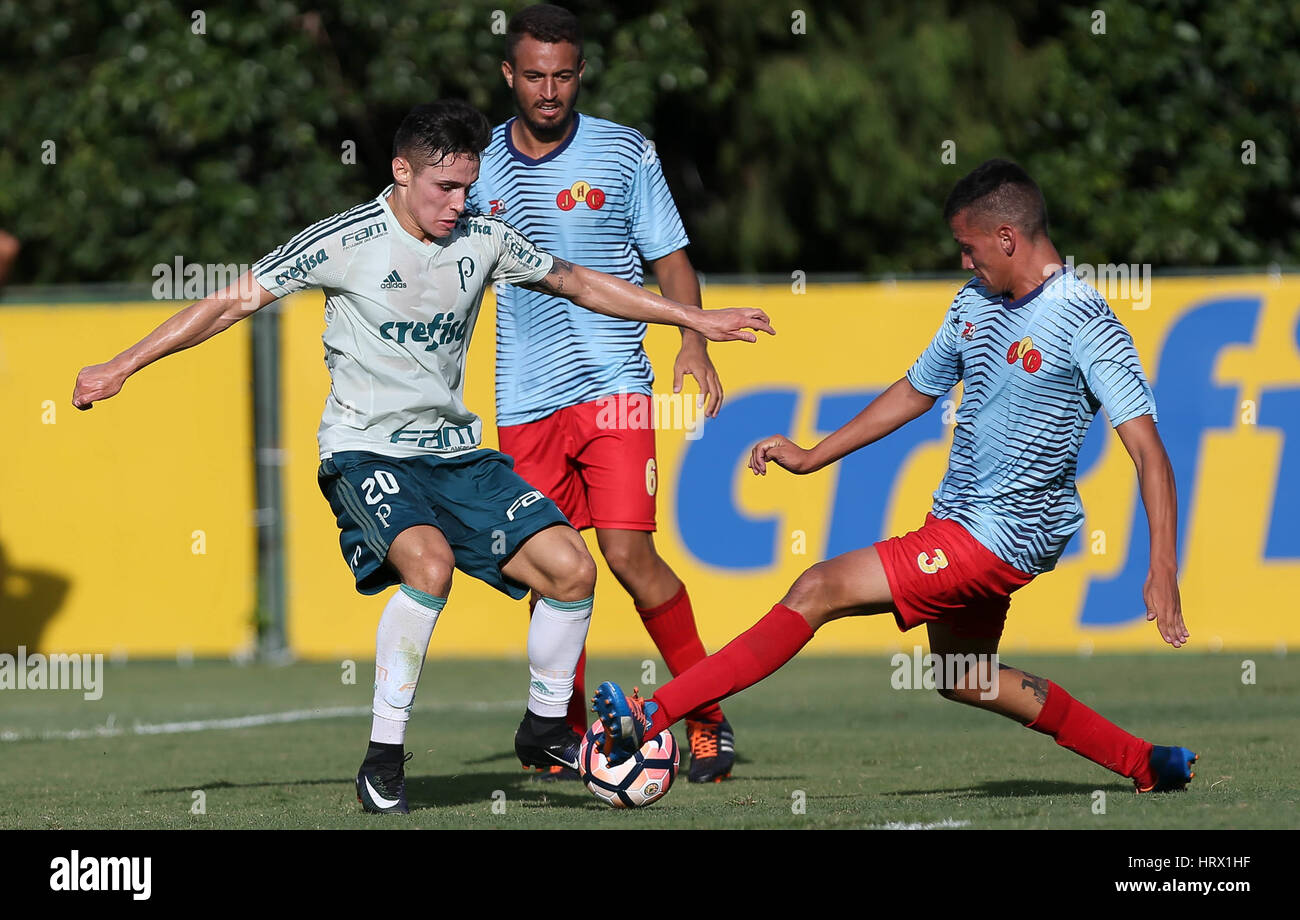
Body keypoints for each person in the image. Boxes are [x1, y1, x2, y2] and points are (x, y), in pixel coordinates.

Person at [71, 100, 772, 814]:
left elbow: (581, 281)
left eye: (468, 186)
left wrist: (693, 319)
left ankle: (543, 726)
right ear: (401, 172)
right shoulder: (344, 241)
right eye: (444, 187)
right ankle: (383, 760)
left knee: (572, 568)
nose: (458, 202)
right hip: (365, 453)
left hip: (457, 458)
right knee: (430, 563)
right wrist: (123, 365)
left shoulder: (485, 239)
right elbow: (229, 303)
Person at [592, 159, 1198, 794]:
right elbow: (915, 390)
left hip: (1000, 535)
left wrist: (1162, 567)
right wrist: (812, 455)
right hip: (958, 519)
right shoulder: (975, 303)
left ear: (1007, 238)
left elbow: (1149, 454)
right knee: (963, 675)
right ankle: (1146, 763)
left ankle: (651, 716)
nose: (965, 263)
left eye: (969, 248)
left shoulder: (1084, 320)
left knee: (817, 587)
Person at [467, 3, 738, 783]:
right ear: (508, 75)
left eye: (563, 76)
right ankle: (566, 733)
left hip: (616, 388)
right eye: (533, 76)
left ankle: (707, 714)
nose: (548, 91)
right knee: (553, 568)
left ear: (580, 73)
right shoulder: (476, 163)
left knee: (627, 555)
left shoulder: (624, 153)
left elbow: (671, 258)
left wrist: (690, 339)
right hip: (523, 401)